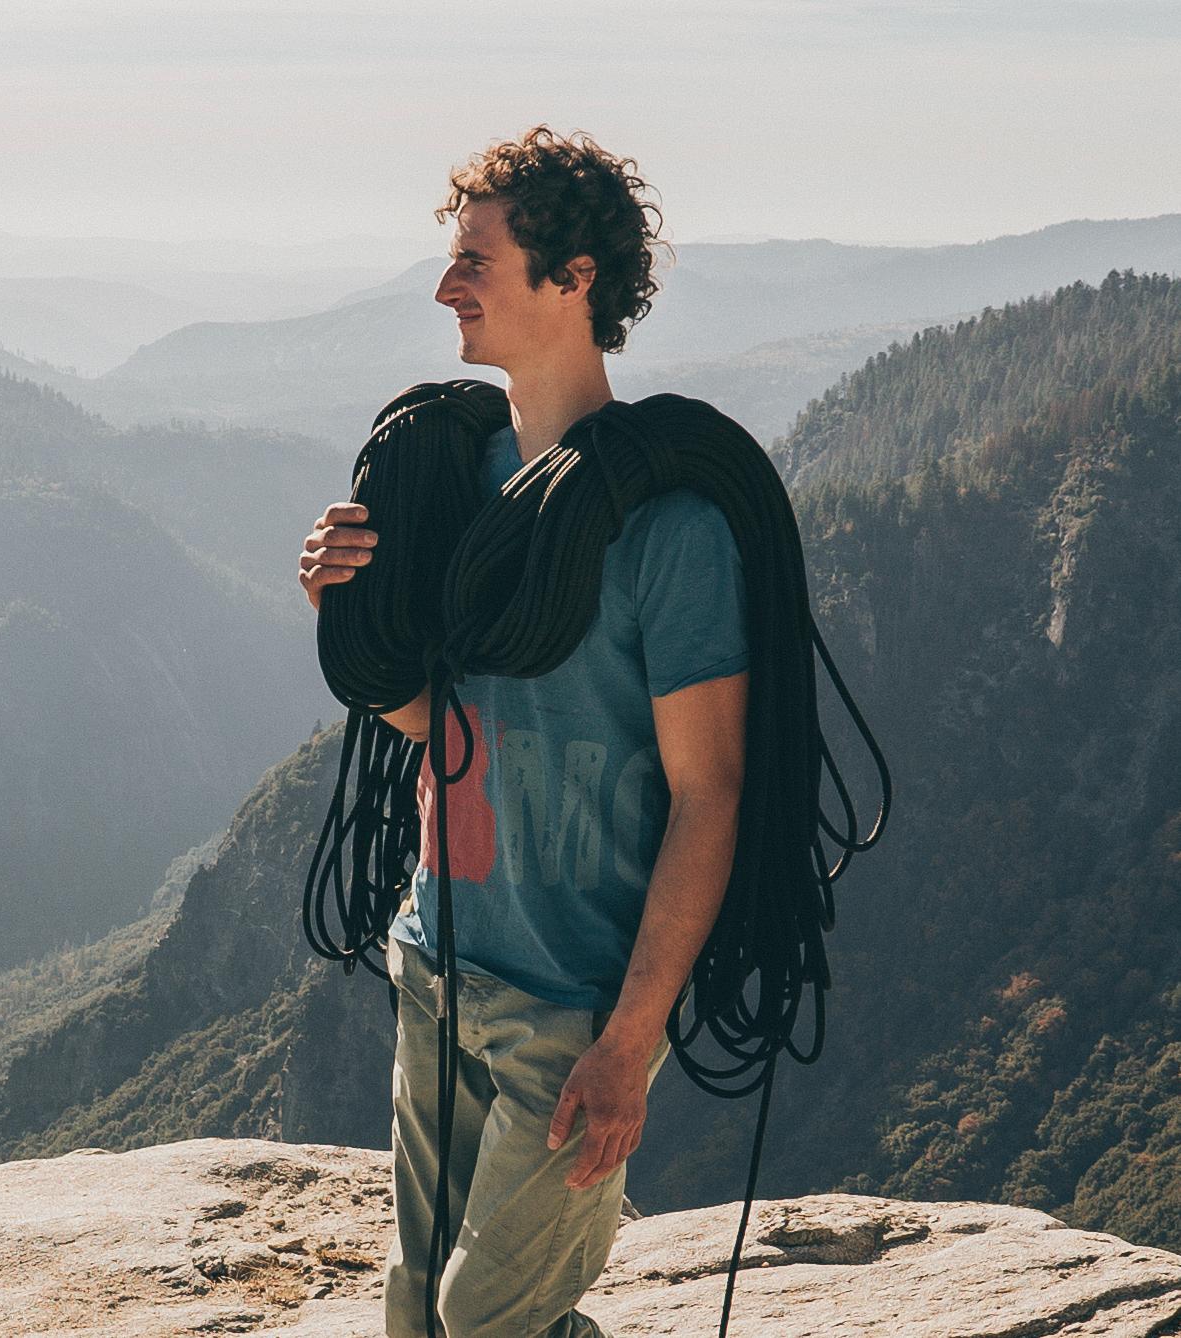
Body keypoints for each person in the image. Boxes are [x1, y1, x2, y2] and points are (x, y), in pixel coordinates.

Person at [296, 126, 749, 1337]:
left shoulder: (669, 529)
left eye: (474, 262)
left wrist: (631, 1039)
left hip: (571, 1007)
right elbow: (447, 732)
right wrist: (340, 615)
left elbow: (708, 795)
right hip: (437, 965)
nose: (446, 289)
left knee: (488, 1320)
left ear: (575, 274)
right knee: (415, 1316)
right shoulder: (453, 480)